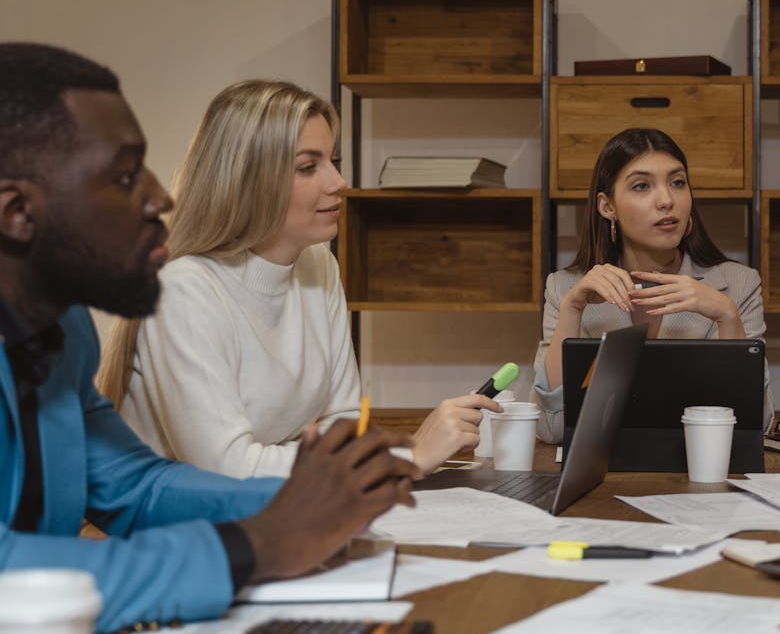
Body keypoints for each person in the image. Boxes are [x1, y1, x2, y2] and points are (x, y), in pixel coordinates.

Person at [0, 42, 414, 634]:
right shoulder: (184, 291)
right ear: (17, 211)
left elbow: (135, 487)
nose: (160, 196)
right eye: (123, 176)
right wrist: (251, 547)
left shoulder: (63, 331)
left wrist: (315, 505)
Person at [97, 80, 500, 478]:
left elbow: (342, 423)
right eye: (309, 167)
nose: (337, 182)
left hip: (278, 514)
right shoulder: (182, 291)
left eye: (333, 161)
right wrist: (402, 459)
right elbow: (226, 469)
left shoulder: (318, 266)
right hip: (182, 531)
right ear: (249, 182)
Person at [531, 127, 769, 443]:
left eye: (678, 183)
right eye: (642, 186)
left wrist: (728, 317)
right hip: (603, 484)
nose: (667, 200)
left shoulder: (739, 284)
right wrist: (572, 309)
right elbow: (552, 429)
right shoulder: (565, 289)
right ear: (607, 207)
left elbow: (752, 428)